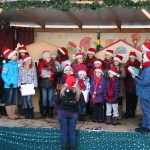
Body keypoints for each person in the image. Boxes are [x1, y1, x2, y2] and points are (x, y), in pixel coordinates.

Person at [55, 76, 86, 150]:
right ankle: (72, 148)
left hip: (62, 113)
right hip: (73, 113)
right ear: (75, 83)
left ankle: (63, 148)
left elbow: (56, 101)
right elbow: (83, 105)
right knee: (72, 131)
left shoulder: (61, 90)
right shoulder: (79, 92)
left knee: (63, 131)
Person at [133, 52, 150, 134]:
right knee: (145, 110)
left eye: (144, 58)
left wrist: (135, 78)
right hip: (144, 93)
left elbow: (146, 82)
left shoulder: (149, 69)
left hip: (146, 93)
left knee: (147, 111)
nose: (143, 59)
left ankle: (148, 127)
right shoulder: (146, 68)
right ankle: (144, 125)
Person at [38, 51, 57, 118]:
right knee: (44, 98)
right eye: (48, 57)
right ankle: (44, 112)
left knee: (50, 98)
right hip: (43, 83)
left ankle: (50, 112)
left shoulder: (52, 64)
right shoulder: (40, 64)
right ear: (44, 58)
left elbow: (56, 74)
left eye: (49, 57)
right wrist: (40, 75)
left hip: (51, 84)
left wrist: (53, 74)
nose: (49, 58)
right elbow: (37, 75)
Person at [18, 55, 37, 119]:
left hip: (30, 85)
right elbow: (19, 77)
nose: (30, 61)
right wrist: (19, 85)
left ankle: (31, 113)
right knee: (24, 100)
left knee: (29, 99)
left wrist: (35, 85)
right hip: (23, 85)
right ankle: (26, 113)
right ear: (26, 61)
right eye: (29, 60)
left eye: (31, 59)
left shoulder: (33, 67)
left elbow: (35, 77)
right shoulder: (21, 68)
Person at [1, 48, 18, 119]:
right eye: (14, 55)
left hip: (16, 85)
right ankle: (9, 114)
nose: (15, 56)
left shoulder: (16, 64)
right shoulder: (6, 65)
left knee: (14, 99)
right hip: (9, 85)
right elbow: (3, 75)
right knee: (8, 99)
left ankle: (13, 113)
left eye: (16, 55)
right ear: (10, 56)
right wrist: (9, 83)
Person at [124, 51, 140, 118]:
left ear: (135, 58)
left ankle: (132, 112)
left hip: (135, 84)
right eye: (130, 58)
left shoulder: (138, 65)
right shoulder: (127, 64)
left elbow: (138, 75)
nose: (131, 59)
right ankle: (127, 112)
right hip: (128, 84)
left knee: (134, 100)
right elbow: (125, 75)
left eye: (132, 58)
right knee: (128, 99)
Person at [111, 55, 126, 120]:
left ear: (119, 62)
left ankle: (119, 114)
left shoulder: (122, 67)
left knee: (119, 100)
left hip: (120, 85)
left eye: (116, 61)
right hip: (113, 85)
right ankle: (113, 114)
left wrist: (118, 75)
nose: (115, 62)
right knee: (113, 100)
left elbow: (124, 75)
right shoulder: (111, 66)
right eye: (114, 60)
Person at [17, 45, 29, 115]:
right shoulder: (18, 60)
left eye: (23, 52)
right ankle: (20, 108)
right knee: (20, 95)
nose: (21, 54)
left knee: (27, 95)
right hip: (20, 79)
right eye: (20, 52)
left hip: (28, 80)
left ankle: (26, 108)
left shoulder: (30, 59)